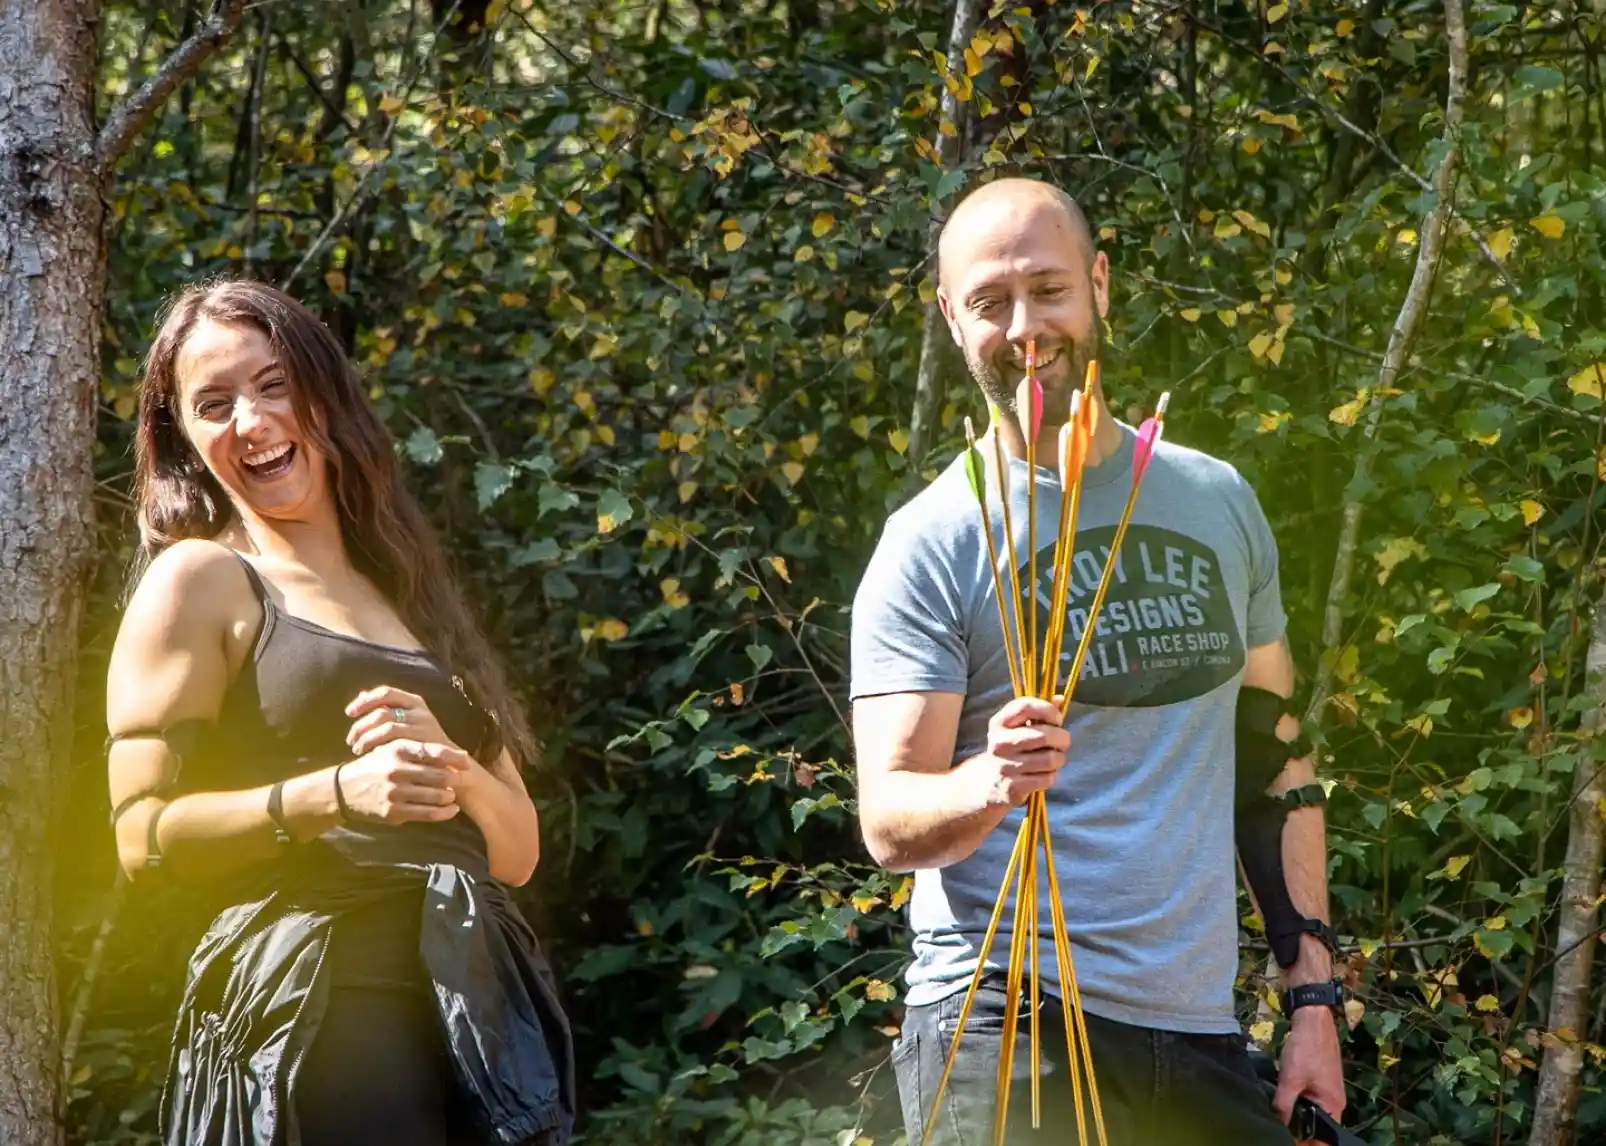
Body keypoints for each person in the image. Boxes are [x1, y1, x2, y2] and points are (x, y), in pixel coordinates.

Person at [849, 177, 1345, 1145]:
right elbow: (890, 820)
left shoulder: (1215, 500)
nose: (1026, 328)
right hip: (1006, 1023)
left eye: (1049, 289)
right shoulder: (933, 540)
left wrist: (1312, 1003)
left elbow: (1273, 761)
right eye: (990, 303)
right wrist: (987, 782)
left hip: (1197, 1031)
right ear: (951, 320)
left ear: (1100, 286)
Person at [105, 280, 574, 1146]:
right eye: (214, 405)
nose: (251, 421)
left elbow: (516, 851)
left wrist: (455, 768)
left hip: (479, 1016)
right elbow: (143, 837)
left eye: (274, 384)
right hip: (315, 1011)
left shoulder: (413, 594)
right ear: (186, 441)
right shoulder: (201, 581)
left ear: (325, 392)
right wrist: (338, 794)